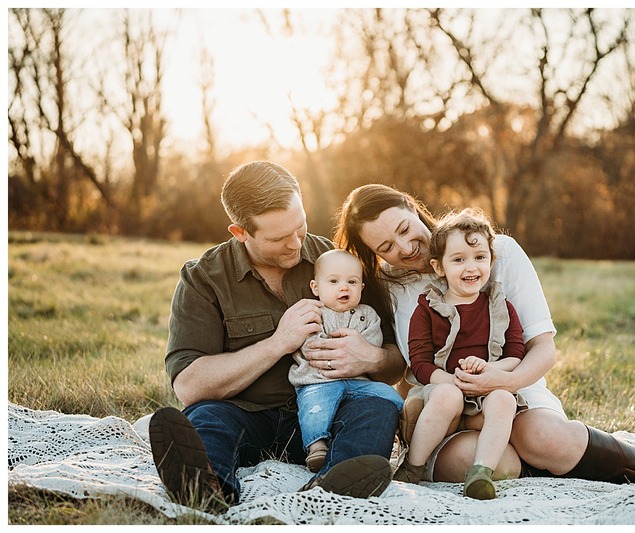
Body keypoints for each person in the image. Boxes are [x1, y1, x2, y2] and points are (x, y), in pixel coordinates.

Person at [334, 183, 635, 488]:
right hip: (446, 412)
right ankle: (541, 463)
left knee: (542, 437)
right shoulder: (386, 287)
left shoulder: (497, 252)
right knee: (502, 464)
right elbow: (401, 366)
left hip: (514, 391)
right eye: (386, 246)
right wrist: (377, 360)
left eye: (405, 229)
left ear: (412, 205)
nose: (405, 247)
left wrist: (501, 381)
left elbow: (543, 349)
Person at [148, 161, 407, 513]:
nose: (295, 243)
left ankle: (333, 486)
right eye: (278, 238)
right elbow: (190, 386)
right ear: (240, 232)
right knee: (207, 418)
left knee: (377, 406)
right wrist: (277, 343)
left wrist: (371, 358)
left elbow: (396, 364)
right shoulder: (204, 279)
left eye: (300, 227)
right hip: (245, 416)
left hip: (329, 417)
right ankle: (207, 488)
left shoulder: (335, 263)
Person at [394, 208, 529, 500]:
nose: (471, 267)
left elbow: (516, 352)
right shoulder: (427, 309)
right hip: (443, 394)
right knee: (448, 395)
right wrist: (453, 381)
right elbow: (420, 363)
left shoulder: (500, 306)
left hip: (485, 395)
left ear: (491, 261)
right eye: (458, 260)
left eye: (479, 257)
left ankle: (480, 473)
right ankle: (412, 467)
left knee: (505, 399)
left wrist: (490, 371)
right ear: (439, 267)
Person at [289, 249, 404, 473]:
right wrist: (336, 348)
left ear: (361, 287)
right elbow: (309, 344)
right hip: (319, 380)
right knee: (314, 406)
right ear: (315, 287)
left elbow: (373, 341)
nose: (344, 288)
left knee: (389, 396)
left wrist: (358, 349)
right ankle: (316, 445)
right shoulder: (313, 312)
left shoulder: (368, 314)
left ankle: (407, 424)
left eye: (352, 282)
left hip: (359, 381)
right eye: (334, 281)